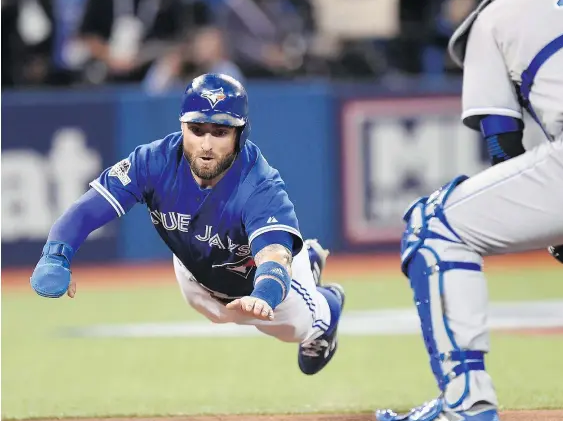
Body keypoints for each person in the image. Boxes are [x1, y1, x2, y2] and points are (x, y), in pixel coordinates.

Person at [375, 0, 563, 421]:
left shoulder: (505, 5)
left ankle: (465, 401)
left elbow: (504, 144)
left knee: (432, 224)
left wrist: (562, 223)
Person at [29, 73, 345, 376]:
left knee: (297, 329)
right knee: (217, 315)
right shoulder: (153, 162)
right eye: (197, 129)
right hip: (197, 277)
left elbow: (274, 254)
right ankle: (305, 270)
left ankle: (325, 302)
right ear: (182, 127)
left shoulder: (260, 185)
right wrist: (56, 254)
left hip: (261, 285)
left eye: (220, 132)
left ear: (240, 133)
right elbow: (88, 210)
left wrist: (264, 294)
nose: (206, 144)